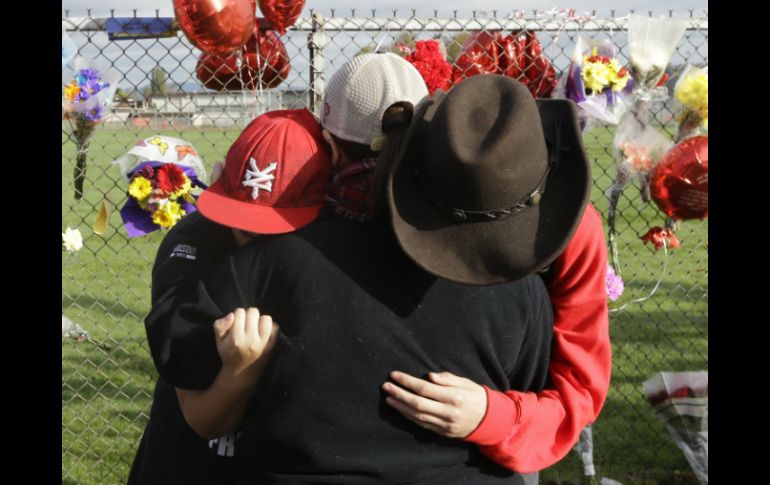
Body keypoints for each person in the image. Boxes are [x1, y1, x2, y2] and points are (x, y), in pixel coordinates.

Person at [144, 74, 586, 484]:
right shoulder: (526, 287)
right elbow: (563, 394)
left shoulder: (266, 262)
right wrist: (496, 417)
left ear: (329, 151)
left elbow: (183, 362)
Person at [128, 108, 332, 485]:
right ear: (220, 178)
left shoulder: (333, 254)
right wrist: (239, 372)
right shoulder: (191, 243)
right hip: (185, 462)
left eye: (277, 229)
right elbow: (197, 410)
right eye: (244, 221)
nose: (257, 240)